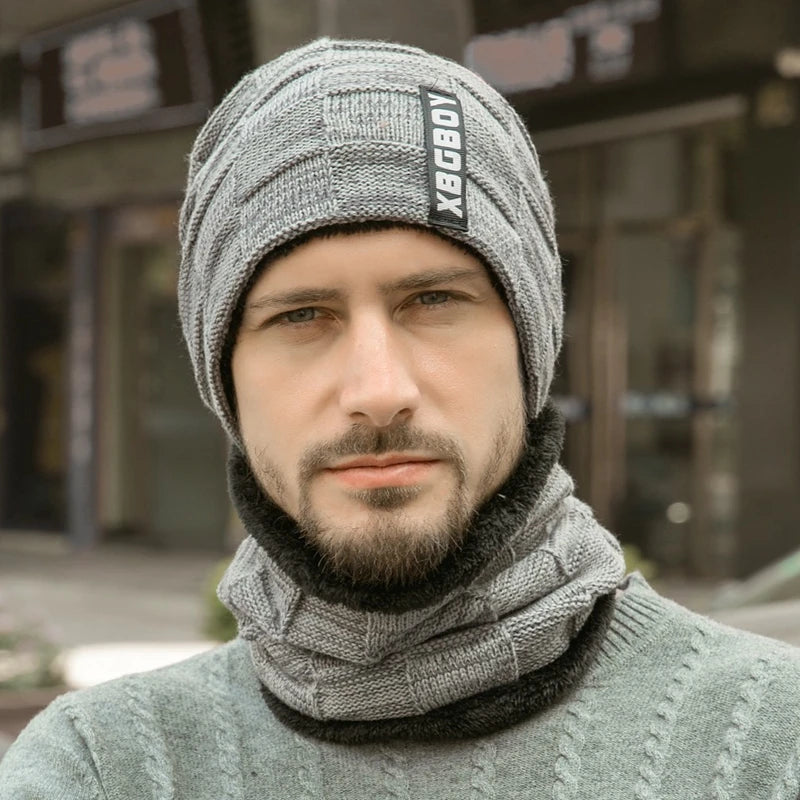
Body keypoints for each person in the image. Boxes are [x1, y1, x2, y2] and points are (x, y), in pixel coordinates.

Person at [2, 37, 799, 799]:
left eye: (434, 300)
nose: (378, 391)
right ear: (225, 380)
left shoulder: (770, 741)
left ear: (531, 348)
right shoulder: (104, 769)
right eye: (301, 315)